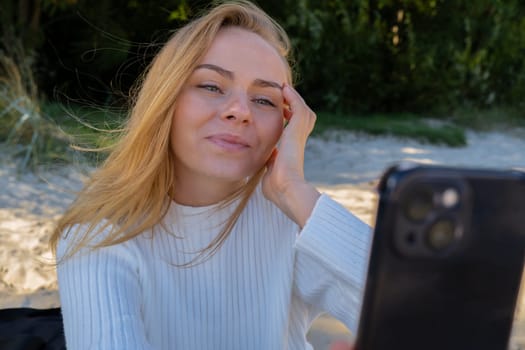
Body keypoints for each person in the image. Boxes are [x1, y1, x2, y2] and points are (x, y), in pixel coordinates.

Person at [50, 1, 372, 349]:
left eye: (264, 100)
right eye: (212, 86)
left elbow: (426, 316)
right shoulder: (100, 234)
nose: (240, 111)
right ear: (166, 99)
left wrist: (294, 189)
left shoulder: (293, 219)